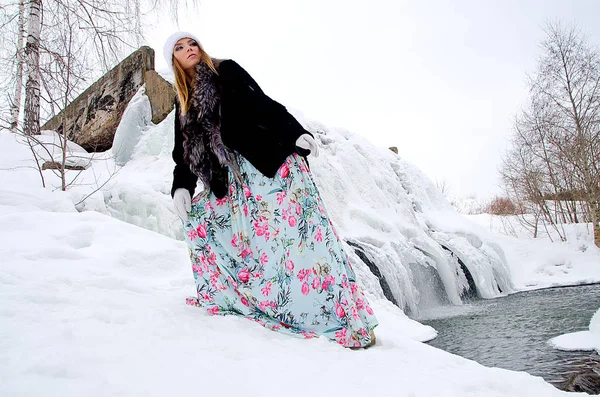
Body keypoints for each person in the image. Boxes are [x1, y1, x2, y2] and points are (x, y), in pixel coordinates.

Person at [164, 31, 378, 348]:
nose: (189, 50)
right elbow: (184, 155)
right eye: (180, 48)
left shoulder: (226, 70)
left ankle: (331, 315)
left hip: (266, 165)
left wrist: (295, 132)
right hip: (231, 183)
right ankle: (260, 303)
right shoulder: (184, 105)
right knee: (205, 227)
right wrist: (181, 187)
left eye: (192, 43)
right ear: (174, 60)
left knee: (297, 242)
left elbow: (263, 104)